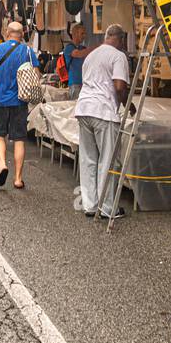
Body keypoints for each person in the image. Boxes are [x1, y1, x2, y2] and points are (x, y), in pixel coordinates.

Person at [74, 24, 130, 219]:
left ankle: (90, 205)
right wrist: (128, 105)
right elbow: (120, 85)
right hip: (103, 111)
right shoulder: (118, 56)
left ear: (107, 36)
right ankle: (107, 208)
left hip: (83, 108)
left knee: (88, 158)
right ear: (121, 40)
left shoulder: (91, 56)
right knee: (107, 160)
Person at [0, 21, 39, 189]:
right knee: (19, 139)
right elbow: (36, 74)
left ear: (7, 33)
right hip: (20, 101)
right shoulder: (28, 51)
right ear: (22, 35)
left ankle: (2, 165)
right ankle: (18, 179)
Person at [62, 23, 94, 101]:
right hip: (75, 84)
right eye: (82, 33)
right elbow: (78, 54)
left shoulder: (82, 48)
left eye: (85, 34)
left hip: (85, 84)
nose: (84, 36)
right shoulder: (69, 47)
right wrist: (96, 48)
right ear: (75, 34)